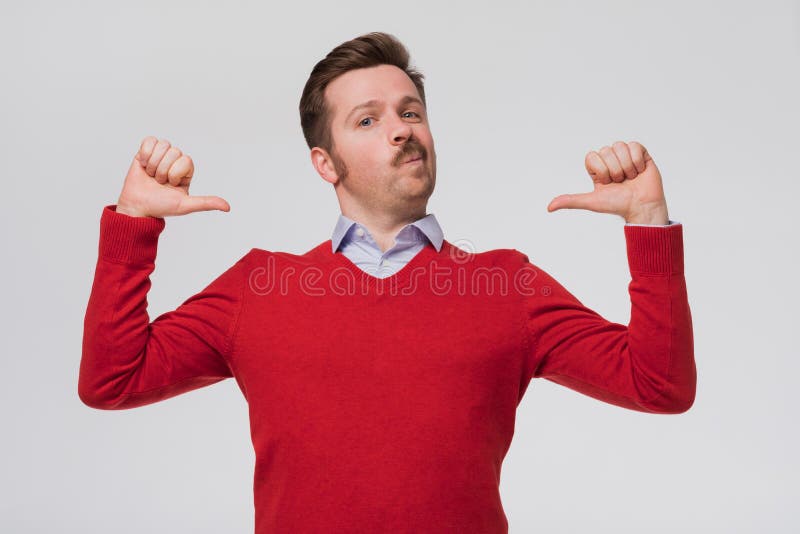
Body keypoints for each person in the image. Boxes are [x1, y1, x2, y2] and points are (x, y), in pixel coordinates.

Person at [79, 31, 696, 534]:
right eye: (368, 121)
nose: (402, 129)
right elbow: (112, 379)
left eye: (410, 112)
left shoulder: (506, 285)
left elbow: (659, 384)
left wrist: (647, 223)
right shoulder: (259, 288)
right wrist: (135, 225)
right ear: (326, 163)